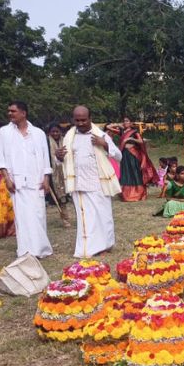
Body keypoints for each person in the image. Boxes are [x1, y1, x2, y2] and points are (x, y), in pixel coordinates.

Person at [55, 105, 121, 258]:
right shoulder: (69, 137)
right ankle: (88, 248)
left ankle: (105, 245)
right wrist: (58, 157)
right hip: (79, 183)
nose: (80, 123)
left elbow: (118, 155)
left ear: (90, 119)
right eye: (77, 120)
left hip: (99, 183)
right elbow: (62, 161)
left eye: (83, 120)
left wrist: (104, 144)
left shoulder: (101, 135)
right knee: (85, 218)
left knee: (103, 215)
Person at [0, 100, 53, 258]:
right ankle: (26, 251)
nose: (10, 114)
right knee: (23, 217)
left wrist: (46, 178)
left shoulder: (38, 133)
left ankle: (41, 249)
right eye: (9, 111)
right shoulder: (4, 132)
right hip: (17, 182)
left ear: (23, 113)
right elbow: (1, 159)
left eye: (13, 111)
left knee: (38, 214)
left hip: (37, 180)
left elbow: (45, 158)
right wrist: (7, 178)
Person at [108, 117, 156, 202]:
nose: (125, 122)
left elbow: (141, 141)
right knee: (126, 172)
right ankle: (126, 194)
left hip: (134, 154)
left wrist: (131, 139)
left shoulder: (134, 132)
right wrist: (118, 125)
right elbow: (108, 127)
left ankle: (139, 193)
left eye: (127, 121)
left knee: (135, 172)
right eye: (124, 121)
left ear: (131, 123)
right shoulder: (122, 132)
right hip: (125, 154)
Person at [47, 124, 67, 205]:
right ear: (49, 133)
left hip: (64, 166)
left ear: (60, 132)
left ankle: (65, 196)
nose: (55, 133)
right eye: (53, 132)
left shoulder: (65, 141)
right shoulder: (47, 142)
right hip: (52, 168)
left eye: (57, 131)